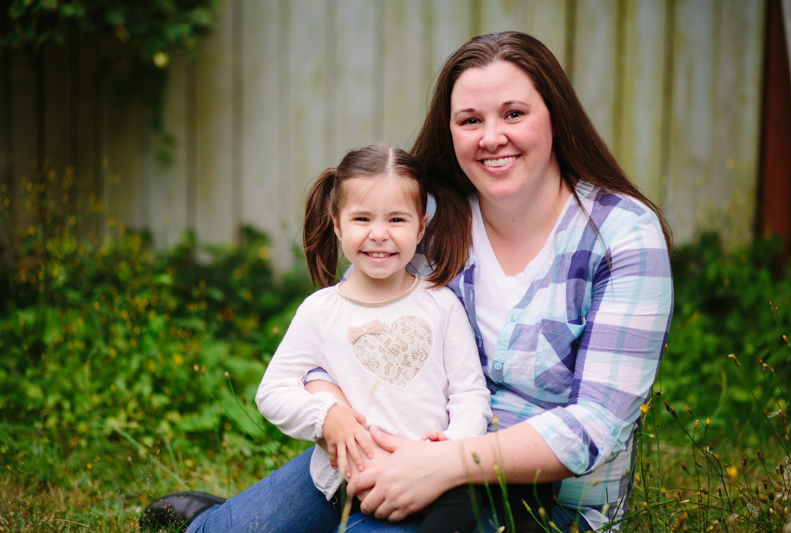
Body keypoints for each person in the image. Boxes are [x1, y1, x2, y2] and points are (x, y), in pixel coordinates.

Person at [142, 30, 673, 533]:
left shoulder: (621, 235)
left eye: (514, 113)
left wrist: (445, 463)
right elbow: (348, 329)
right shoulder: (429, 220)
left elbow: (597, 425)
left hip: (543, 502)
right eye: (470, 120)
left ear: (555, 115)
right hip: (381, 453)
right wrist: (342, 418)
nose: (492, 137)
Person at [257, 143, 493, 533]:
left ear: (421, 227)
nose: (379, 234)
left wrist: (449, 448)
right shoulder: (321, 311)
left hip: (432, 471)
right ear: (337, 225)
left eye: (397, 219)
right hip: (356, 479)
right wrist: (326, 417)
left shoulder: (441, 304)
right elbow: (272, 391)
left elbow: (469, 393)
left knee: (469, 501)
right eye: (362, 218)